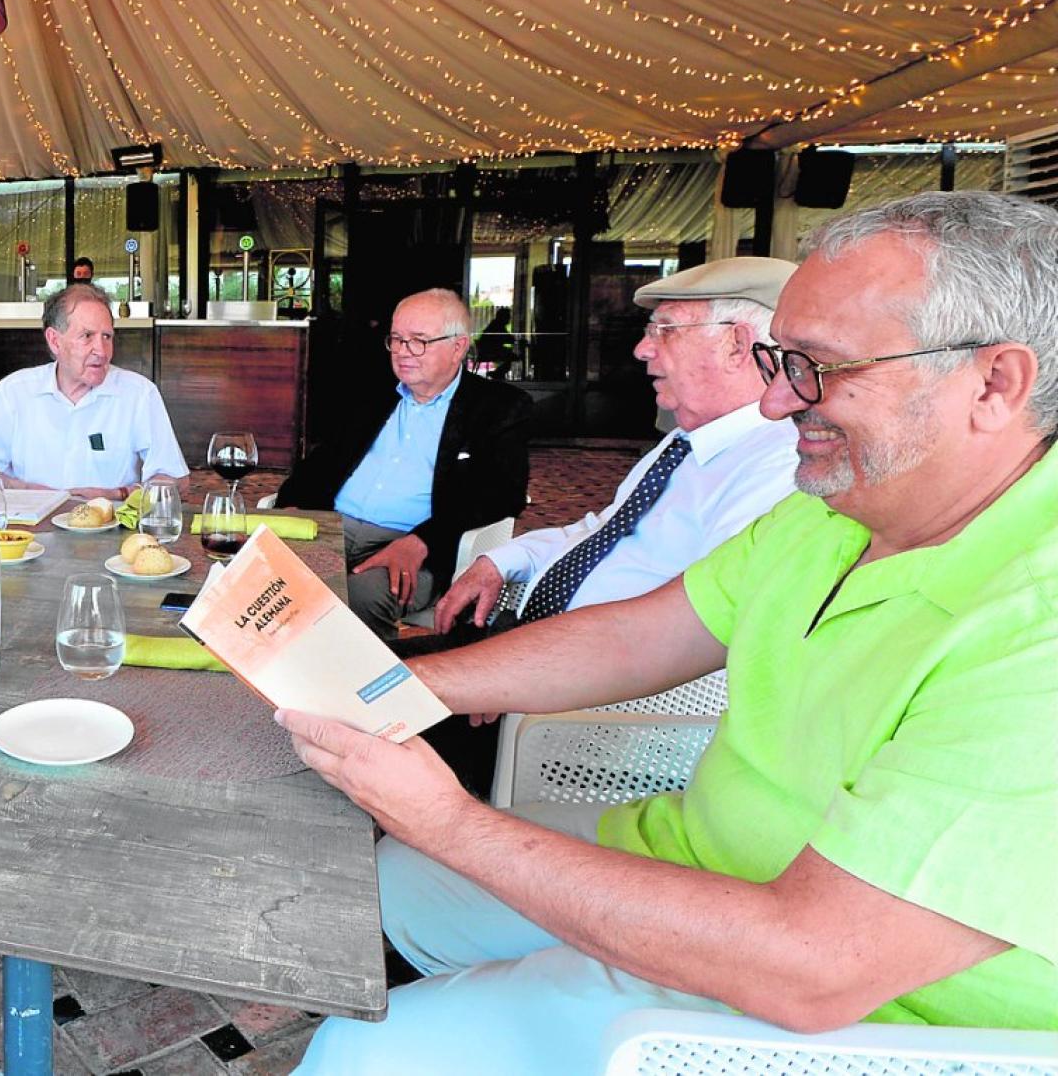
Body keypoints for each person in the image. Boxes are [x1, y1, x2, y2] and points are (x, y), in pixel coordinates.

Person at [281, 192, 1058, 1075]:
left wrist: (450, 822)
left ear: (994, 383)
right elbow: (644, 635)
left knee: (351, 1054)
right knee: (378, 891)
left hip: (844, 1015)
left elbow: (814, 968)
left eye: (818, 367)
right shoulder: (846, 504)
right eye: (777, 360)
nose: (773, 405)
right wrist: (410, 690)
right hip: (699, 857)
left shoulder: (1038, 626)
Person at [435, 257, 800, 634]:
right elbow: (602, 529)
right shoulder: (684, 444)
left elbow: (702, 626)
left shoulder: (779, 469)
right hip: (534, 639)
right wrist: (503, 560)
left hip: (593, 672)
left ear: (737, 345)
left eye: (666, 330)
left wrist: (530, 652)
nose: (641, 349)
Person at [278, 288, 532, 637]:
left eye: (418, 341)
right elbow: (320, 462)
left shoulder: (497, 408)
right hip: (328, 527)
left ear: (458, 347)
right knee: (252, 577)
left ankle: (363, 688)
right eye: (396, 339)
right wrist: (291, 506)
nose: (401, 351)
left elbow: (503, 493)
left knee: (363, 596)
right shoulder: (370, 393)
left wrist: (421, 542)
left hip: (411, 539)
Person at [0, 283, 187, 497]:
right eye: (87, 336)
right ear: (55, 341)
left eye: (107, 337)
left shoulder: (139, 394)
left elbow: (175, 479)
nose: (101, 351)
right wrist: (32, 492)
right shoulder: (13, 393)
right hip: (29, 527)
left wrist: (117, 494)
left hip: (112, 525)